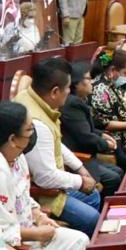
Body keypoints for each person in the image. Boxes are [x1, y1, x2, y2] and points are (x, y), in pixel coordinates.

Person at [15, 57, 102, 236]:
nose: (69, 91)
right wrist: (80, 182)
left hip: (51, 182)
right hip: (42, 194)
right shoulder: (36, 123)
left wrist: (79, 167)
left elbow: (55, 141)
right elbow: (46, 178)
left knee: (93, 194)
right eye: (68, 88)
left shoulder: (28, 97)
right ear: (55, 92)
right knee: (92, 218)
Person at [62, 63, 124, 195]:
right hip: (79, 158)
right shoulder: (72, 104)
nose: (92, 82)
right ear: (77, 83)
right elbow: (84, 137)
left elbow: (87, 128)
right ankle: (102, 207)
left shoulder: (79, 99)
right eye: (89, 79)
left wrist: (102, 135)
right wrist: (106, 145)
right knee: (113, 178)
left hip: (88, 155)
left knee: (117, 171)